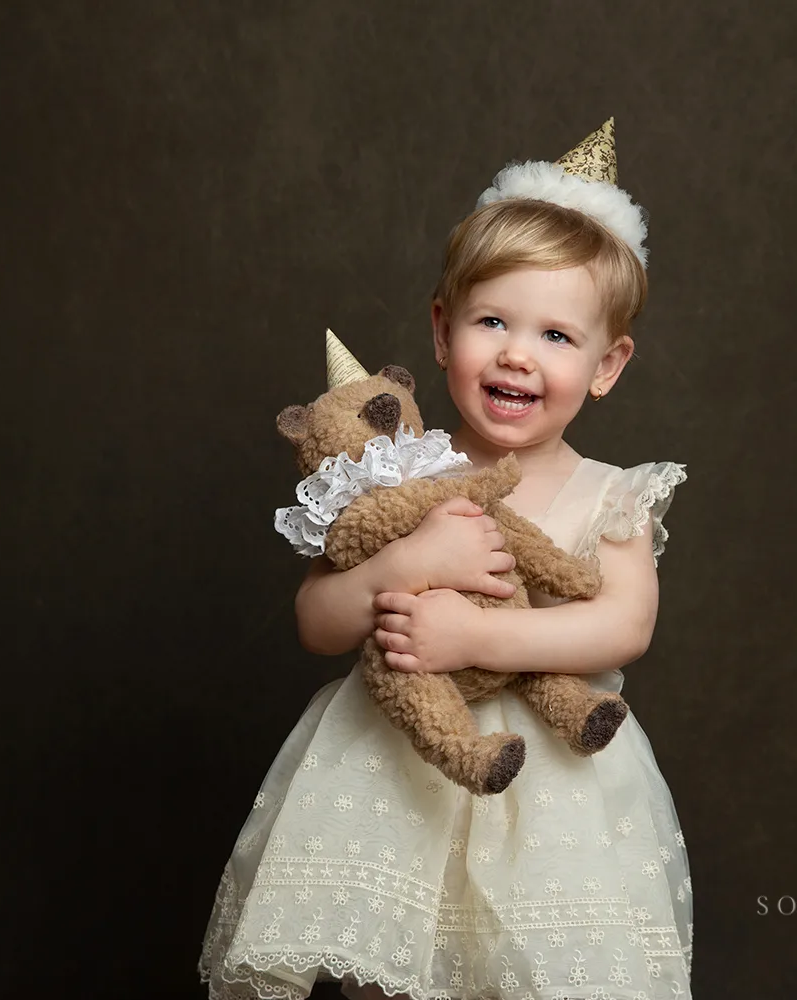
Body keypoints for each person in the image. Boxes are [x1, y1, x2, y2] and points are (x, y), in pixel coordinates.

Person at [199, 118, 693, 1000]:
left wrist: (471, 633)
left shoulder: (607, 491)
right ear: (440, 331)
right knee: (395, 973)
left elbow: (625, 623)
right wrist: (403, 564)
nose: (515, 353)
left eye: (556, 336)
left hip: (557, 795)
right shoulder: (401, 474)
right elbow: (316, 621)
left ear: (608, 364)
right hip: (403, 771)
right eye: (492, 321)